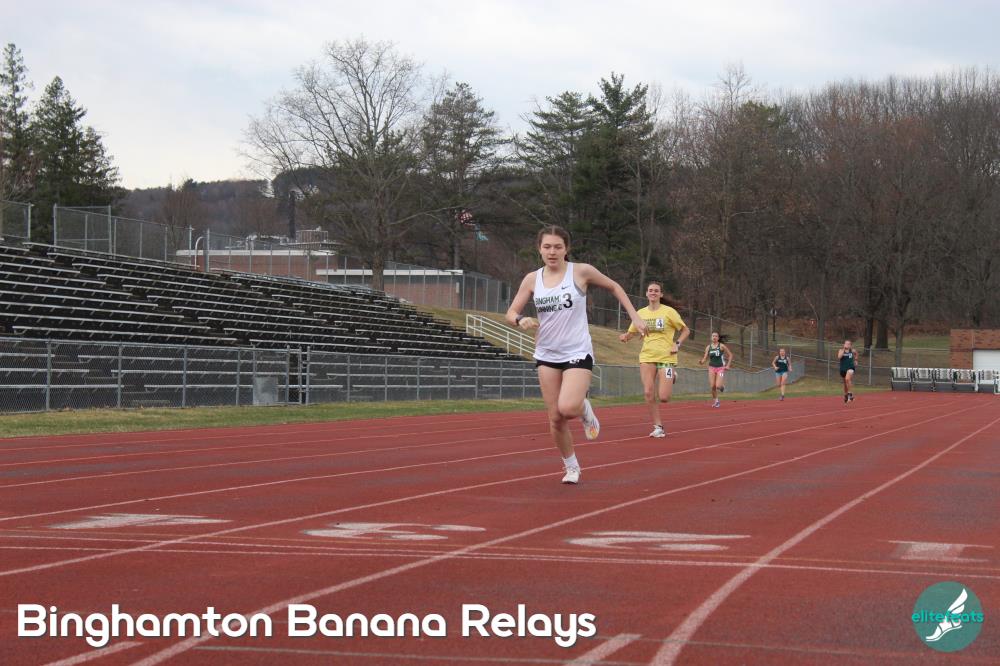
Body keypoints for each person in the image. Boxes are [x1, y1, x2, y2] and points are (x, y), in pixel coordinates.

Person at [506, 225, 647, 485]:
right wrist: (520, 319)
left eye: (557, 247)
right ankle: (571, 466)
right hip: (547, 352)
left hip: (577, 350)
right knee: (555, 418)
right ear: (539, 249)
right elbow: (511, 312)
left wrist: (635, 316)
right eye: (547, 247)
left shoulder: (580, 271)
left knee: (568, 407)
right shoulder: (532, 279)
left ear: (566, 249)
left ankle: (584, 409)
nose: (552, 252)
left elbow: (614, 286)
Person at [619, 282, 690, 437]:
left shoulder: (669, 312)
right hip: (647, 356)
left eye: (656, 291)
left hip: (666, 357)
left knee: (664, 397)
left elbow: (686, 330)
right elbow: (632, 332)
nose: (653, 293)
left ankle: (672, 376)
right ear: (646, 293)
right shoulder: (640, 313)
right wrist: (626, 336)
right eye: (650, 290)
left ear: (661, 294)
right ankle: (658, 426)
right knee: (648, 392)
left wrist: (677, 344)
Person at [698, 332, 732, 408]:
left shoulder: (721, 346)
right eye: (713, 336)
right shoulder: (708, 347)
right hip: (711, 368)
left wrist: (728, 365)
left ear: (718, 338)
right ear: (711, 337)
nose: (714, 337)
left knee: (718, 386)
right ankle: (716, 401)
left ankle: (722, 386)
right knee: (712, 386)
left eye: (716, 336)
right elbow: (705, 358)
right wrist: (701, 362)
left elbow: (730, 355)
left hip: (720, 368)